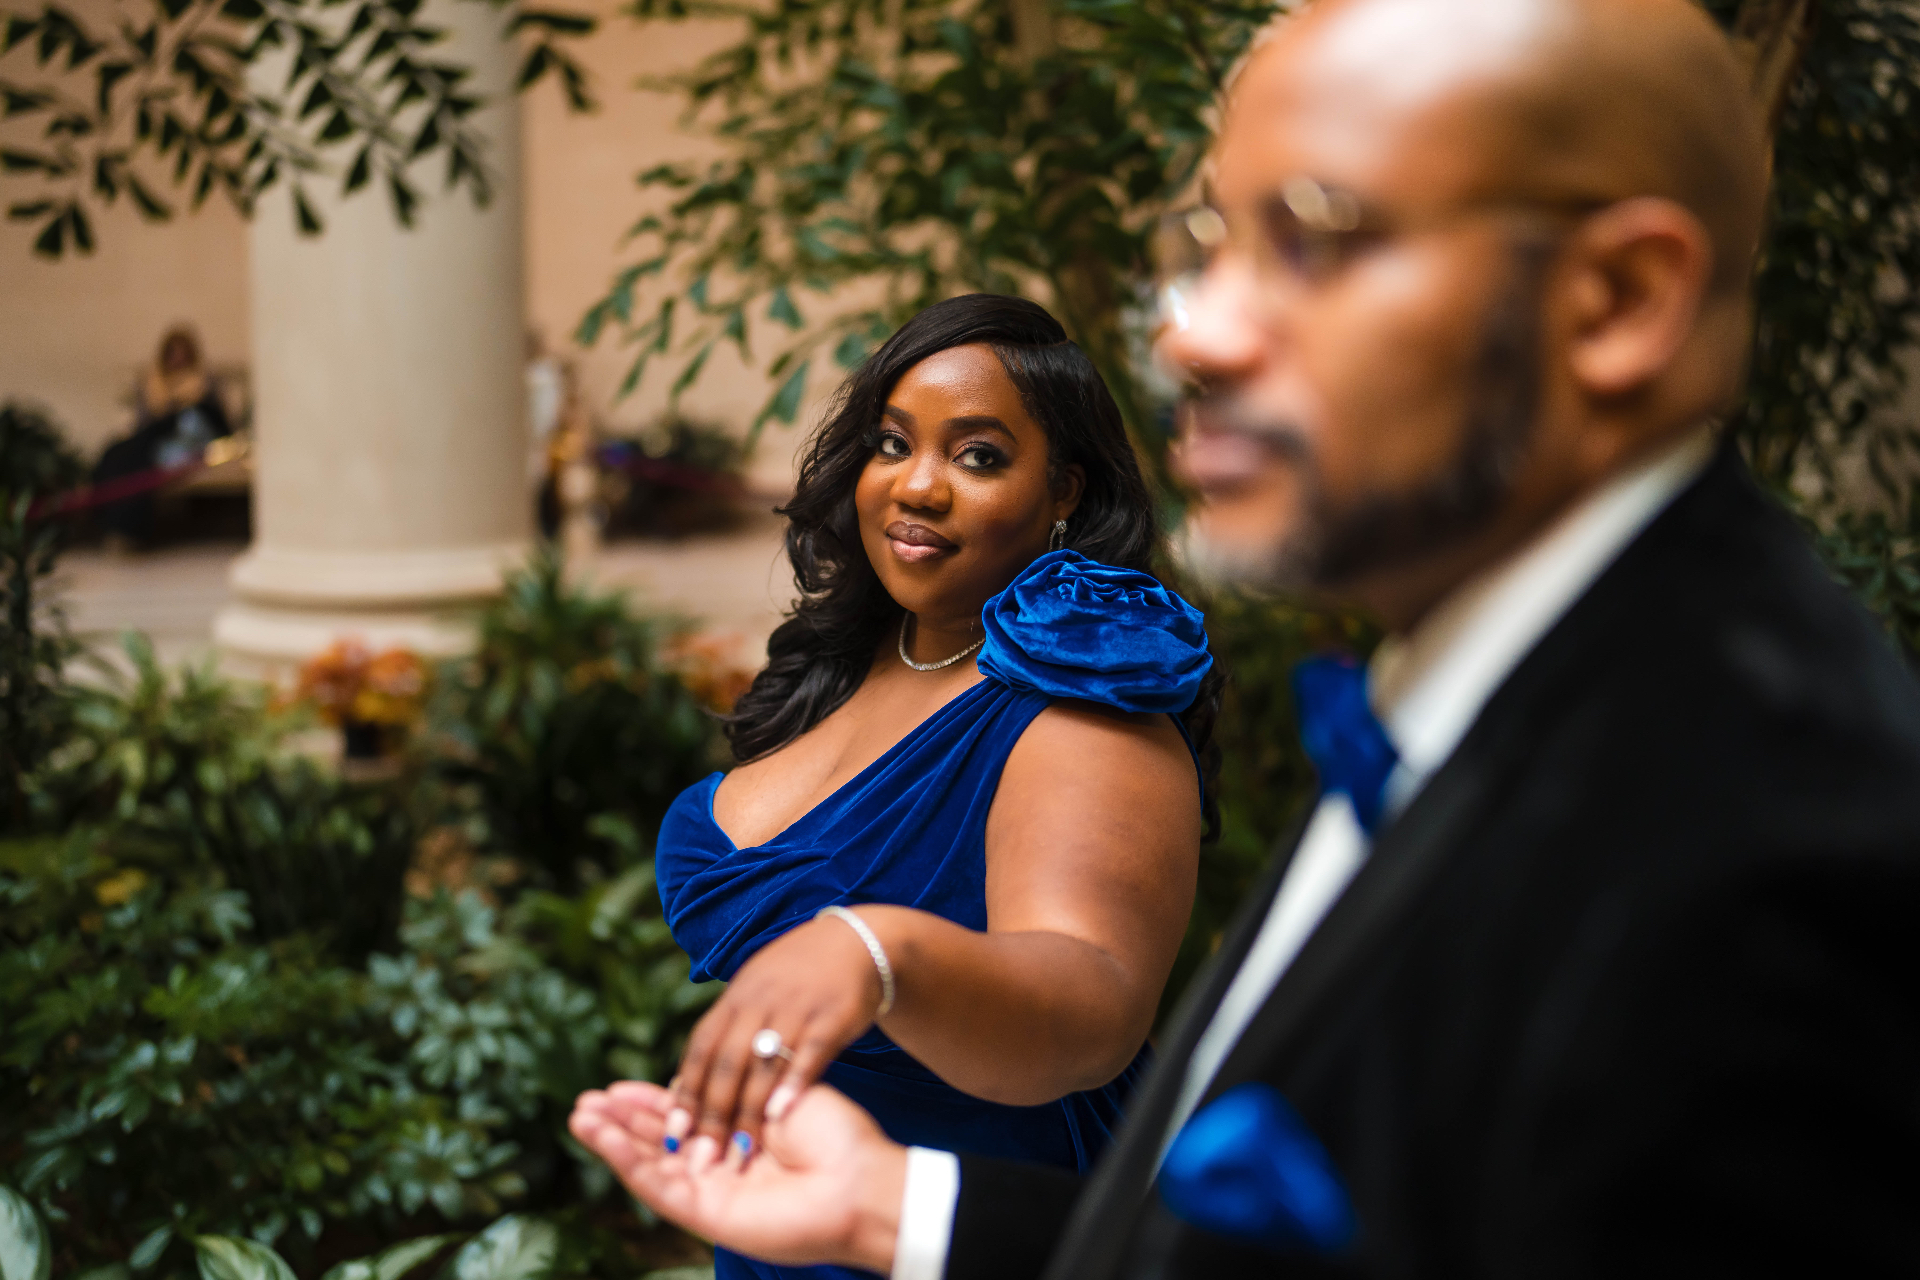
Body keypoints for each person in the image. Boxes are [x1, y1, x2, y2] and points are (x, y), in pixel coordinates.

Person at [570, 0, 1920, 1274]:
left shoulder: (1761, 832)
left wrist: (883, 955)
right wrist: (897, 1211)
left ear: (1618, 302)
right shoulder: (1500, 699)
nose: (1195, 336)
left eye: (1315, 242)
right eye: (1210, 247)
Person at [640, 293, 1221, 1279]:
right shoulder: (844, 663)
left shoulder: (1078, 696)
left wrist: (876, 948)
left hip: (975, 1228)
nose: (917, 486)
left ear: (1064, 490)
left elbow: (1095, 1006)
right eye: (892, 443)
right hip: (781, 1216)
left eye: (979, 455)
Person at [92, 324, 234, 545]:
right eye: (173, 354)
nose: (178, 359)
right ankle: (119, 528)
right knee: (116, 455)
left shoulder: (204, 383)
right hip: (154, 437)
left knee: (137, 456)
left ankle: (129, 529)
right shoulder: (153, 383)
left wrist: (188, 407)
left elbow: (220, 425)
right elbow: (143, 423)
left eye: (182, 354)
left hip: (185, 442)